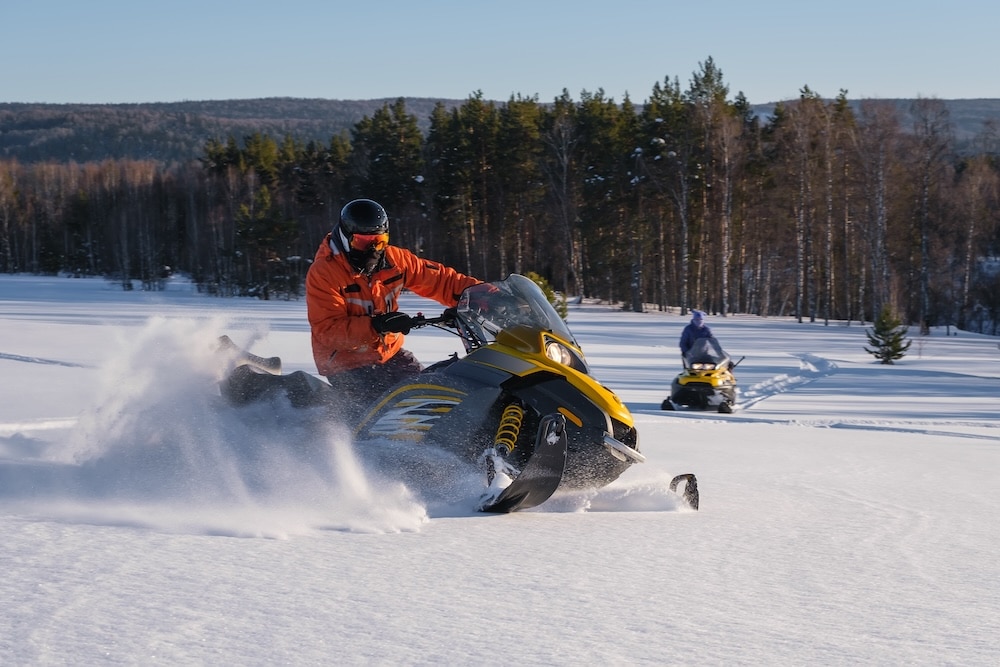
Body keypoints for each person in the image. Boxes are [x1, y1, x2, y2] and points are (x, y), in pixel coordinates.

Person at [305, 198, 482, 421]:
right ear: (345, 238)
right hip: (347, 364)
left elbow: (442, 281)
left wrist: (482, 294)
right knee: (393, 415)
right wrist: (377, 325)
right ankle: (371, 450)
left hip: (390, 353)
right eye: (363, 242)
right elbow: (328, 331)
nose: (372, 249)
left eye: (379, 241)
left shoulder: (395, 260)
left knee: (432, 397)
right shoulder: (324, 272)